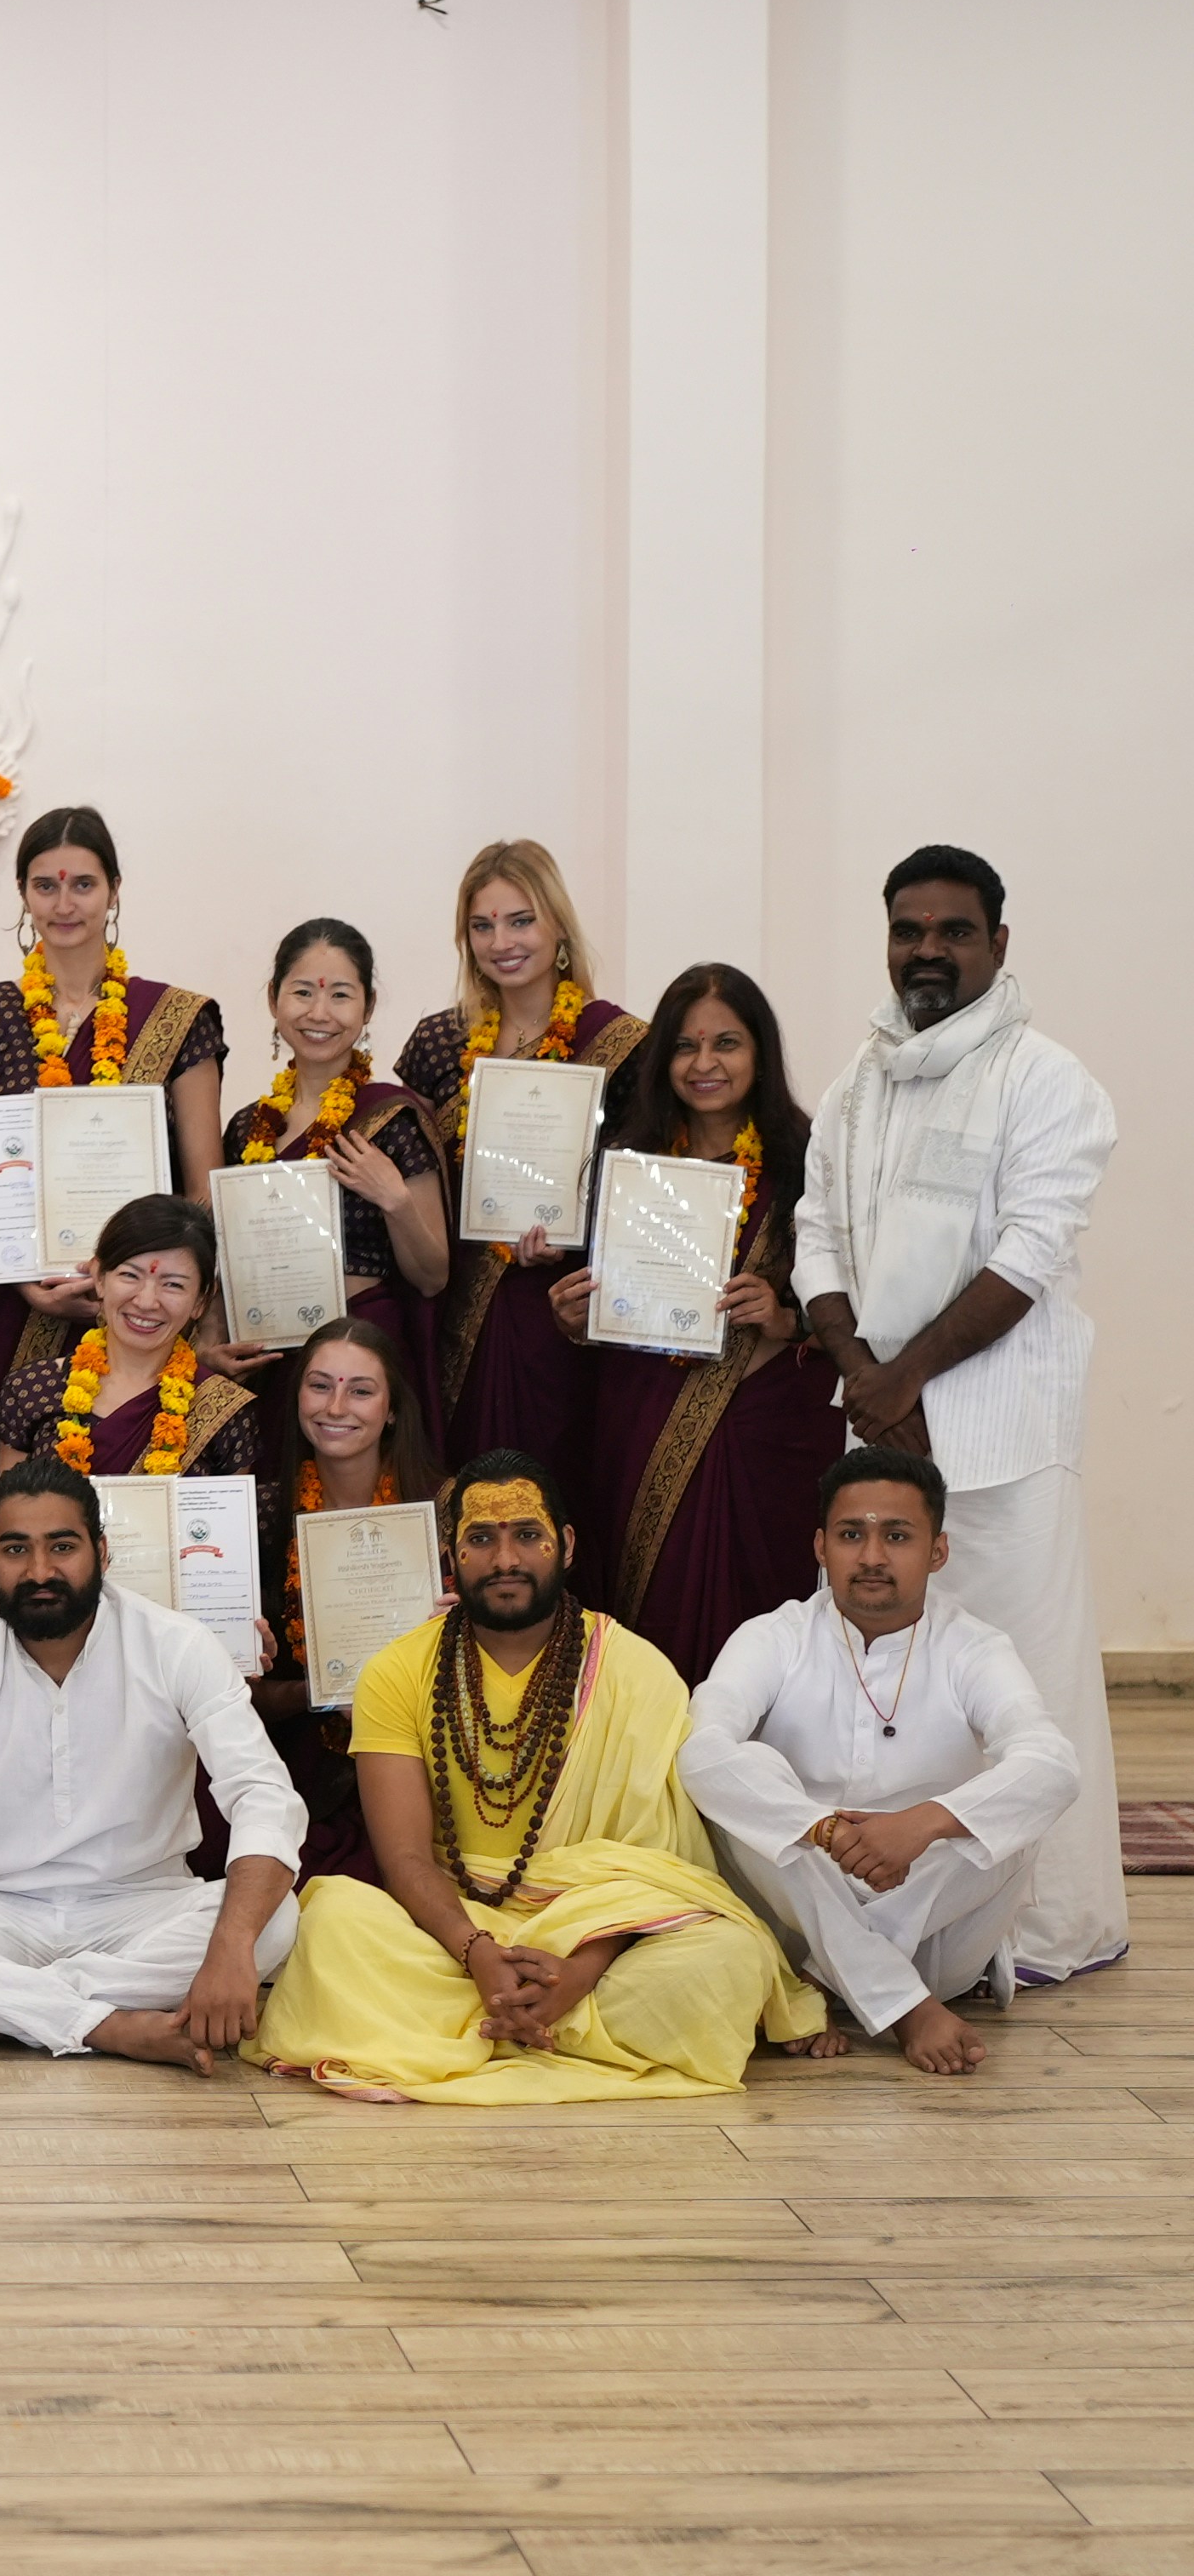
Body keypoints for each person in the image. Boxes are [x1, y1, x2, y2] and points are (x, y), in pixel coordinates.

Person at [245, 1451, 822, 2102]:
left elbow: (651, 1866)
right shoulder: (395, 1671)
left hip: (595, 1931)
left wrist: (579, 1970)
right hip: (455, 1926)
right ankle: (556, 2029)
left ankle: (480, 2028)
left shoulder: (636, 1670)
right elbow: (404, 1858)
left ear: (566, 1545)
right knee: (334, 1920)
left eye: (527, 1535)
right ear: (451, 1554)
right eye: (481, 1539)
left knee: (727, 1957)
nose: (505, 1560)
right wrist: (477, 1953)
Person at [794, 844, 1123, 1985]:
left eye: (953, 931)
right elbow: (817, 1236)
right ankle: (917, 1930)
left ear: (998, 942)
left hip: (1000, 1440)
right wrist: (862, 1373)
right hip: (881, 1438)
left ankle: (1045, 1932)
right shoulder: (860, 1079)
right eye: (908, 931)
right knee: (891, 1689)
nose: (927, 951)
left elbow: (1028, 1251)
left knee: (1029, 1690)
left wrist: (905, 1378)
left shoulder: (1048, 1078)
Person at [0, 1459, 304, 2070]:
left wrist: (230, 1943)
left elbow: (262, 1794)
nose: (40, 1571)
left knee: (273, 1918)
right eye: (16, 1549)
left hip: (143, 1904)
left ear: (102, 1552)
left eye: (62, 1546)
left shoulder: (178, 1646)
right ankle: (110, 2026)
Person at [681, 1448, 1080, 2076]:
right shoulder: (774, 1637)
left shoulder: (974, 1648)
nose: (871, 1556)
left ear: (937, 1551)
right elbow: (702, 1751)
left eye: (896, 1536)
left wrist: (922, 1823)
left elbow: (1053, 1764)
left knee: (1013, 1814)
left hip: (933, 1934)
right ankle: (902, 2007)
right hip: (794, 1910)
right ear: (821, 1547)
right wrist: (825, 1831)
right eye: (850, 1535)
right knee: (745, 1774)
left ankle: (823, 1981)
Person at [547, 964, 837, 1681]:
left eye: (726, 1043)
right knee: (652, 1607)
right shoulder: (629, 1165)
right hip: (640, 1417)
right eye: (685, 1046)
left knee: (763, 1617)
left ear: (760, 1052)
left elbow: (854, 1298)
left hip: (766, 1431)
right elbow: (604, 1303)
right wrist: (574, 1318)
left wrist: (786, 1316)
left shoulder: (808, 1160)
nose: (705, 1064)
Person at [0, 808, 228, 1465]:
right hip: (8, 1309)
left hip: (144, 1310)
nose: (64, 905)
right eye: (46, 886)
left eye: (83, 885)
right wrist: (24, 1281)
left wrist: (131, 1288)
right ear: (23, 893)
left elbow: (202, 1188)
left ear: (114, 890)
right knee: (11, 1492)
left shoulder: (178, 1019)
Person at [394, 842, 645, 1476]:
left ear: (558, 925)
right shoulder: (438, 1043)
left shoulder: (620, 1045)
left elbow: (641, 1194)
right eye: (482, 926)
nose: (501, 942)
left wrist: (576, 1238)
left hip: (561, 1316)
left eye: (520, 920)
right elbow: (415, 1171)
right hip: (456, 1313)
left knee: (554, 1484)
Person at [203, 919, 448, 1409]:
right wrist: (210, 1342)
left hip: (360, 1362)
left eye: (340, 995)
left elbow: (433, 1277)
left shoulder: (392, 1120)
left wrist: (394, 1199)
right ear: (273, 999)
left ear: (367, 1006)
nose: (319, 1013)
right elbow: (222, 1262)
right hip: (267, 1360)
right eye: (302, 993)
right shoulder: (247, 1129)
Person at [243, 1318, 444, 1887]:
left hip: (424, 1762)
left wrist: (457, 1632)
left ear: (392, 1409)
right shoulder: (260, 1517)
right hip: (299, 1768)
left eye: (360, 1390)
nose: (335, 1407)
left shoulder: (441, 1510)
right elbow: (240, 1699)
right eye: (319, 1385)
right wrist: (315, 1691)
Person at [0, 1196, 262, 1481]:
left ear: (201, 1300)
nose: (146, 1302)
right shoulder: (33, 1390)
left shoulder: (222, 1409)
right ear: (99, 1277)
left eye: (173, 1284)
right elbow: (12, 1507)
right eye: (130, 1276)